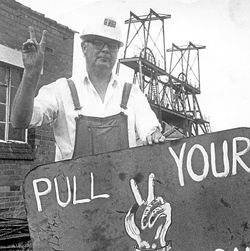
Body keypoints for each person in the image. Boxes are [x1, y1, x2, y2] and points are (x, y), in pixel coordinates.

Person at [11, 16, 165, 161]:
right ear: (84, 47)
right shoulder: (61, 90)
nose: (105, 49)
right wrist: (31, 73)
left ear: (118, 51)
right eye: (98, 43)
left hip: (122, 187)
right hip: (74, 189)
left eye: (112, 45)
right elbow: (20, 121)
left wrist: (154, 136)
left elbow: (150, 130)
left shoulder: (132, 93)